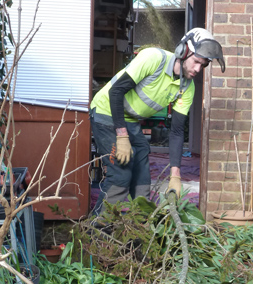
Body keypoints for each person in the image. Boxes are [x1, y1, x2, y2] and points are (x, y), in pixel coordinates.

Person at [90, 27, 225, 214]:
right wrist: (121, 136)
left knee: (141, 161)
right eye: (196, 62)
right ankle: (99, 230)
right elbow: (116, 91)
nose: (197, 69)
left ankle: (138, 221)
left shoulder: (187, 87)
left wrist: (175, 176)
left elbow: (177, 132)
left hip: (129, 118)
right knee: (121, 171)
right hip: (106, 110)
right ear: (183, 51)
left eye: (203, 65)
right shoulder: (154, 59)